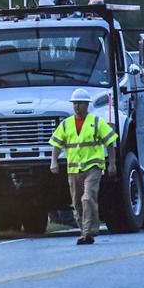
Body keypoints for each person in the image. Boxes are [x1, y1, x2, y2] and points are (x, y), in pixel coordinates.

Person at [49, 88, 118, 245]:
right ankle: (86, 230)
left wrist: (112, 164)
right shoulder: (66, 125)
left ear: (87, 105)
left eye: (80, 103)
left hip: (93, 167)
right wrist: (53, 161)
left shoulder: (96, 122)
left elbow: (110, 143)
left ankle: (88, 232)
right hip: (73, 170)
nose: (77, 106)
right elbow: (56, 144)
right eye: (75, 103)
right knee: (77, 203)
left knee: (88, 198)